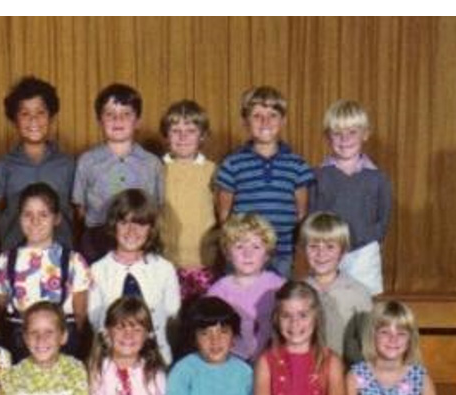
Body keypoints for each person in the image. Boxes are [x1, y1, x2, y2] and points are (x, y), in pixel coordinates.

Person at [216, 85, 314, 278]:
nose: (265, 122)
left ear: (283, 120)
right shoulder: (232, 164)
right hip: (243, 253)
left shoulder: (297, 165)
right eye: (257, 116)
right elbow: (224, 215)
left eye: (272, 115)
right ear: (245, 121)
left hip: (281, 252)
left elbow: (301, 214)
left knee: (278, 303)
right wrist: (232, 247)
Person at [0, 183, 91, 362]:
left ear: (57, 218)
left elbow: (80, 314)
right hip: (18, 340)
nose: (35, 221)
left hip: (61, 342)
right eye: (28, 214)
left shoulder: (74, 261)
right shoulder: (6, 260)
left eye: (43, 214)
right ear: (19, 217)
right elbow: (0, 309)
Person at [86, 189, 182, 365]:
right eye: (124, 222)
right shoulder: (97, 270)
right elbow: (95, 321)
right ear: (114, 225)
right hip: (111, 362)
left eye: (141, 223)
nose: (132, 231)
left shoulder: (164, 269)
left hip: (157, 361)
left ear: (151, 228)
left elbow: (171, 314)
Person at [72, 83, 163, 262]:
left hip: (138, 239)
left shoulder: (152, 164)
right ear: (99, 120)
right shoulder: (87, 161)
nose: (118, 120)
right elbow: (80, 208)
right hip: (97, 240)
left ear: (137, 121)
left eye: (126, 114)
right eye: (110, 114)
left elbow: (157, 207)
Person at [310, 100, 393, 296]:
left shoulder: (377, 178)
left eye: (352, 132)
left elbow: (384, 216)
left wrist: (370, 239)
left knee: (364, 305)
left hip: (364, 252)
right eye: (337, 133)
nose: (344, 139)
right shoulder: (318, 175)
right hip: (327, 253)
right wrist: (323, 246)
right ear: (327, 137)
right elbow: (311, 216)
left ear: (365, 134)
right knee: (327, 302)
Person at [0, 76, 76, 250]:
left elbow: (79, 213)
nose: (33, 120)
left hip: (60, 256)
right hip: (15, 257)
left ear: (51, 116)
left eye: (40, 112)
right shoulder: (3, 166)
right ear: (14, 119)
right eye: (25, 114)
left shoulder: (68, 165)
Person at [158, 100, 219, 301]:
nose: (183, 137)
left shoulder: (213, 171)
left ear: (202, 135)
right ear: (166, 135)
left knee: (201, 322)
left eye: (191, 130)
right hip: (166, 263)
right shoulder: (156, 170)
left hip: (204, 262)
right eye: (175, 130)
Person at [206, 213, 286, 361]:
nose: (247, 254)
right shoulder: (217, 292)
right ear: (228, 253)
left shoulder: (279, 286)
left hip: (273, 360)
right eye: (239, 246)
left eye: (256, 247)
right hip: (232, 361)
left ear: (267, 253)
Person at [300, 212, 372, 365]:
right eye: (313, 246)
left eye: (330, 247)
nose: (321, 254)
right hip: (305, 373)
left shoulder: (359, 292)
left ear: (343, 250)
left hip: (345, 374)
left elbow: (367, 343)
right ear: (303, 248)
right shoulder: (297, 291)